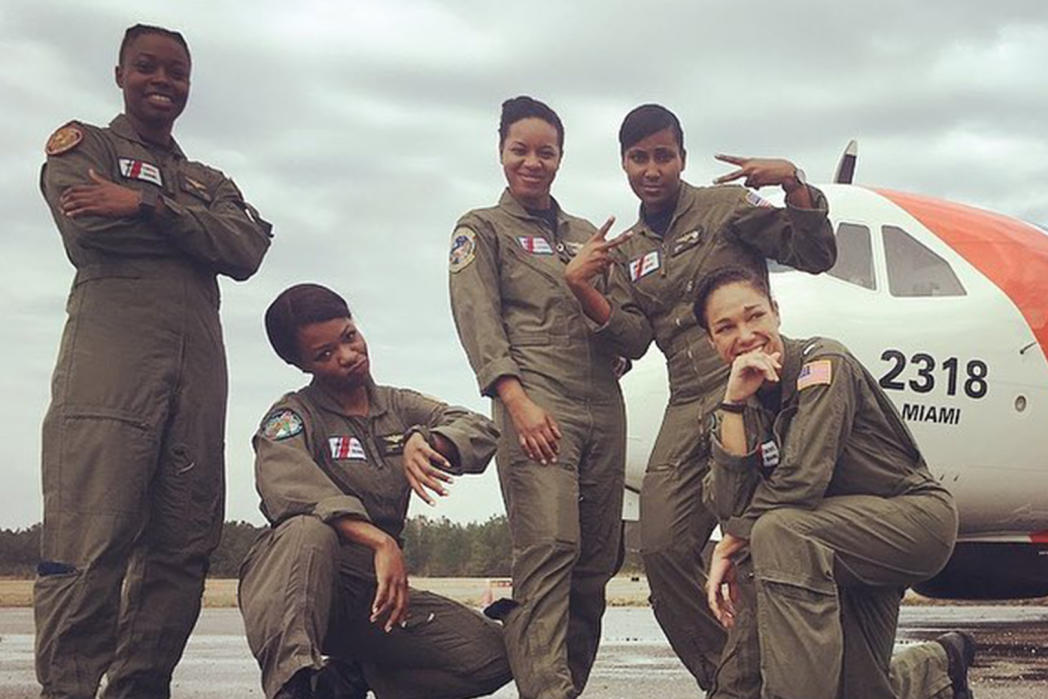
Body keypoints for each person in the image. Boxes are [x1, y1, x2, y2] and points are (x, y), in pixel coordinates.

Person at [34, 24, 272, 698]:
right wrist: (192, 233)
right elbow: (89, 225)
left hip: (196, 381)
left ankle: (139, 686)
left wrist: (144, 205)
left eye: (177, 73)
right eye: (147, 68)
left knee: (181, 544)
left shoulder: (207, 177)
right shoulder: (87, 146)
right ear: (120, 74)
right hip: (109, 376)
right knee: (92, 543)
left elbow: (247, 248)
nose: (163, 82)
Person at [563, 103, 835, 689]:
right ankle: (730, 680)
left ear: (681, 158)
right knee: (661, 550)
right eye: (639, 158)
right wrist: (583, 287)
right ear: (624, 164)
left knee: (759, 540)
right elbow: (632, 338)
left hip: (756, 378)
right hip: (687, 399)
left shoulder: (726, 208)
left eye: (663, 155)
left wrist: (795, 183)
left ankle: (787, 675)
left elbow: (814, 255)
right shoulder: (629, 249)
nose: (652, 168)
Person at [695, 265, 974, 698]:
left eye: (755, 316)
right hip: (832, 548)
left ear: (776, 313)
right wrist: (732, 405)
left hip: (908, 522)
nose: (746, 335)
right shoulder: (736, 405)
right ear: (713, 343)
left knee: (777, 531)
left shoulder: (823, 364)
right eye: (726, 327)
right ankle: (940, 665)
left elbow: (802, 480)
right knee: (860, 690)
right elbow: (728, 504)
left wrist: (731, 541)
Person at [448, 97, 645, 698]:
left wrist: (586, 286)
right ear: (501, 152)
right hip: (537, 406)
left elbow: (632, 335)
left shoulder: (589, 237)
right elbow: (478, 323)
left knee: (593, 566)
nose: (532, 163)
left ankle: (566, 688)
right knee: (550, 550)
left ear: (561, 157)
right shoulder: (481, 229)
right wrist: (517, 402)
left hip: (602, 410)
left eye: (546, 152)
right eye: (520, 150)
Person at [238, 284, 511, 699]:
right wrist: (379, 540)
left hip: (373, 594)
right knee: (307, 530)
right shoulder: (293, 416)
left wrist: (429, 441)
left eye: (349, 336)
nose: (348, 356)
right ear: (299, 363)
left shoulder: (398, 407)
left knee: (493, 655)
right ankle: (294, 685)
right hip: (302, 585)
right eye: (324, 354)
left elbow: (478, 427)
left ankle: (351, 678)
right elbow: (286, 486)